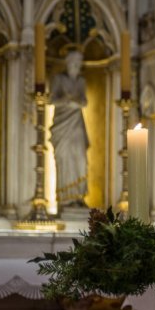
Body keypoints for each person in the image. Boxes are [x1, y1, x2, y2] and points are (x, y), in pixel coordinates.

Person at [50, 50, 89, 208]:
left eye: (78, 64)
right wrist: (67, 100)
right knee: (65, 158)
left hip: (77, 125)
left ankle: (79, 196)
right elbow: (52, 100)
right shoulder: (58, 79)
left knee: (80, 158)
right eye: (74, 63)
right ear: (68, 63)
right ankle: (65, 197)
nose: (76, 66)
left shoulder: (81, 81)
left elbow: (84, 101)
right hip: (63, 125)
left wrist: (73, 101)